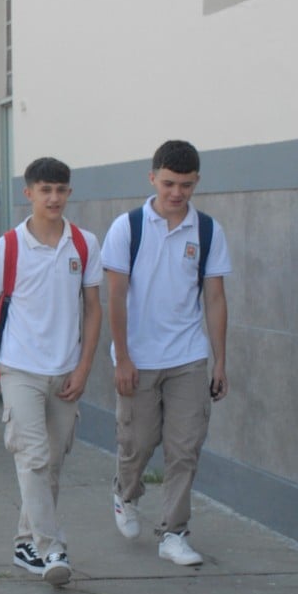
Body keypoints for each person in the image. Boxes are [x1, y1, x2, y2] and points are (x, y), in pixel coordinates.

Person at [0, 157, 102, 586]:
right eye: (45, 189)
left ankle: (27, 542)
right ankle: (52, 549)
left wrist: (84, 368)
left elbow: (93, 308)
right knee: (32, 457)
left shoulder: (84, 244)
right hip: (19, 369)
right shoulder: (8, 247)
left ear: (69, 192)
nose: (54, 198)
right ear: (28, 193)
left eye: (61, 190)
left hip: (65, 371)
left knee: (52, 465)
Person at [101, 140, 231, 567]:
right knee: (137, 442)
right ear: (152, 177)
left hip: (188, 358)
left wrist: (220, 361)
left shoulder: (208, 231)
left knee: (185, 448)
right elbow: (115, 297)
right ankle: (124, 492)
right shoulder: (128, 227)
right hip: (137, 357)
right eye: (170, 183)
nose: (177, 193)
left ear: (197, 183)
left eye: (187, 185)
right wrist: (122, 356)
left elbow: (214, 298)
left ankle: (174, 533)